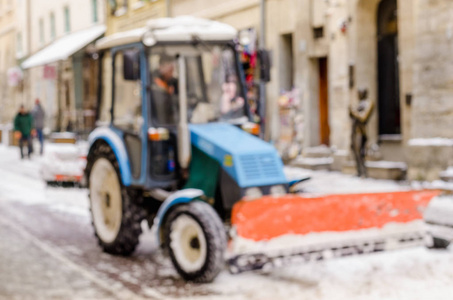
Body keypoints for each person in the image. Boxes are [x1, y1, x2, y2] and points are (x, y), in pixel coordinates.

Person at [349, 88, 374, 178]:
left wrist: (354, 112)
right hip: (354, 130)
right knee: (354, 150)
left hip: (361, 131)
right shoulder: (358, 104)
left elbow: (363, 117)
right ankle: (359, 171)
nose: (359, 95)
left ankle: (364, 172)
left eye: (360, 93)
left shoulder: (368, 103)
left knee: (361, 151)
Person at [151, 54, 178, 124]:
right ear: (162, 68)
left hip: (172, 122)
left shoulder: (173, 82)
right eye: (170, 71)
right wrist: (167, 91)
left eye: (172, 70)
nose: (171, 74)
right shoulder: (152, 81)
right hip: (157, 122)